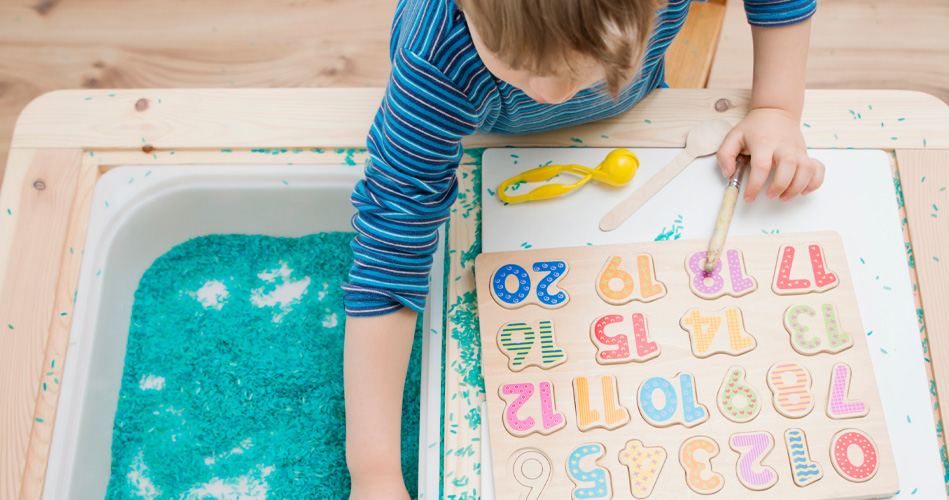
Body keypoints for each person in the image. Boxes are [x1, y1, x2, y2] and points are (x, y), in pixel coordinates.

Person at [342, 0, 823, 497]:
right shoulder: (435, 65)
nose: (550, 93)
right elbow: (389, 249)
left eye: (580, 67)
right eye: (517, 61)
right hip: (477, 129)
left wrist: (777, 106)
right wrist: (374, 471)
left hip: (633, 119)